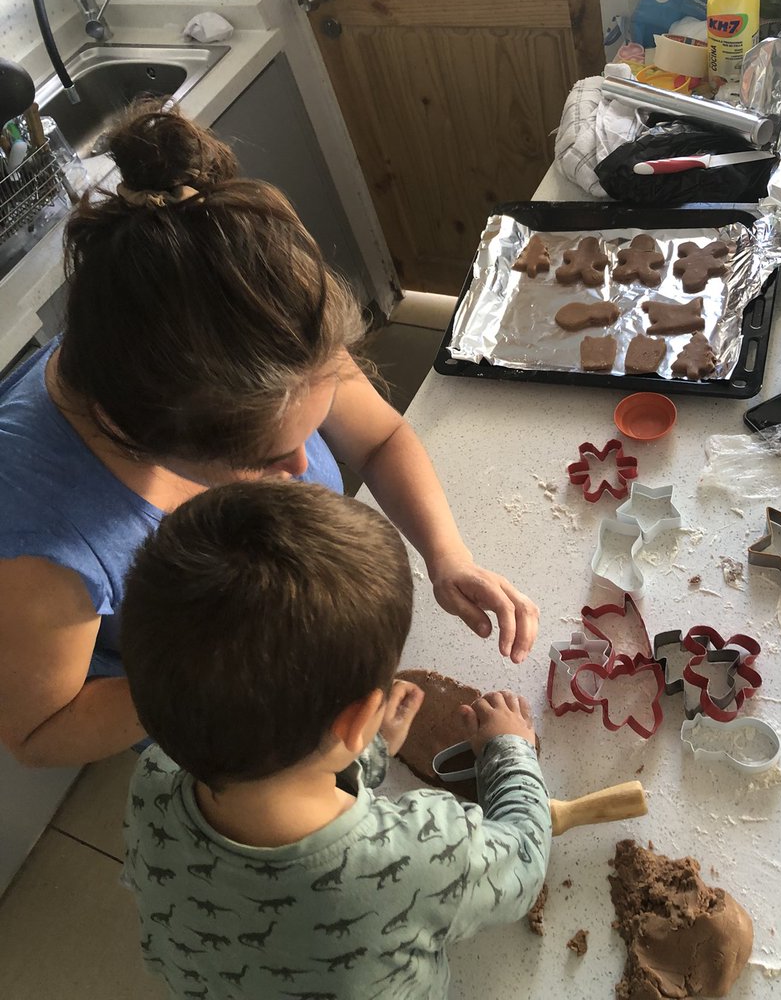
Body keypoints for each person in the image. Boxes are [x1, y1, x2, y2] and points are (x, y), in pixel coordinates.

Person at [0, 102, 538, 768]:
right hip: (216, 709)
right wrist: (223, 671)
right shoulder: (41, 544)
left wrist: (445, 553)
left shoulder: (258, 330)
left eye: (308, 436)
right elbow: (39, 732)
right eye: (265, 459)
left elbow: (377, 441)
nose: (303, 466)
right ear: (147, 438)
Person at [120, 479, 550, 1000]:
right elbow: (523, 863)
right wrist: (510, 751)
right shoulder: (420, 852)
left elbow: (274, 776)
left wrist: (364, 751)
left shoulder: (154, 777)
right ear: (356, 717)